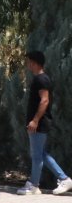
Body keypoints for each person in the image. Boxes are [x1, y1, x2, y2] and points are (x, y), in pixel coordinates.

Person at [18, 51, 72, 195]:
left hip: (39, 123)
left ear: (34, 63)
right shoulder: (39, 79)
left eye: (29, 61)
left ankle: (34, 185)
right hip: (38, 123)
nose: (28, 64)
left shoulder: (41, 79)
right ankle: (64, 178)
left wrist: (35, 120)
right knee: (40, 154)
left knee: (37, 156)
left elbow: (45, 100)